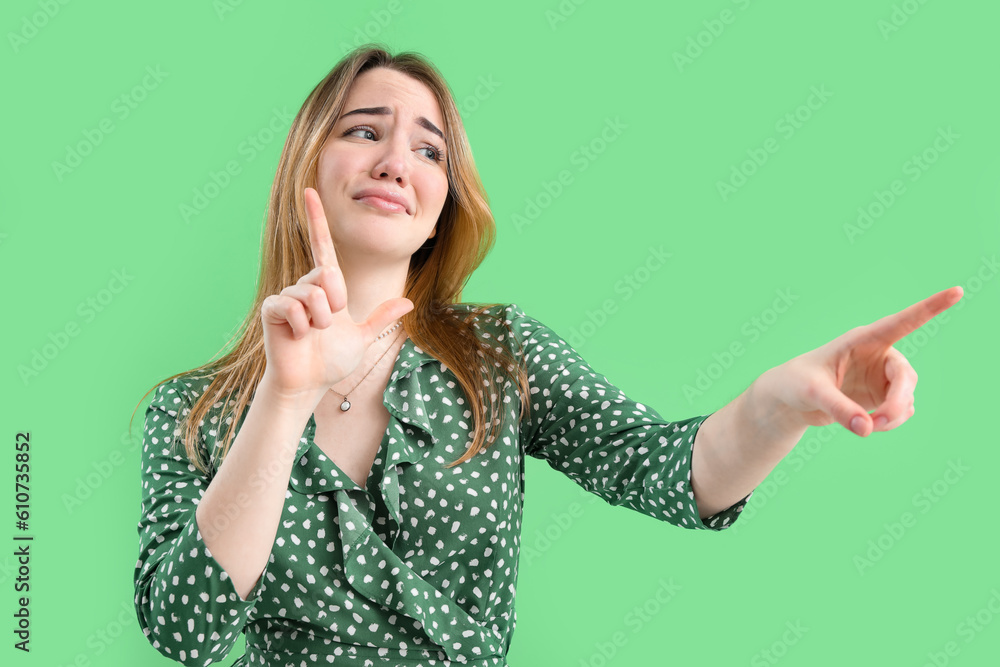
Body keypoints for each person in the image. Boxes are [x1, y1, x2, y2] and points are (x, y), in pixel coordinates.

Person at [131, 44, 963, 667]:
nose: (396, 161)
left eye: (429, 149)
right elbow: (185, 628)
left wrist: (781, 402)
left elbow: (664, 469)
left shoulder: (498, 356)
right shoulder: (192, 410)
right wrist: (283, 397)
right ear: (306, 163)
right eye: (363, 131)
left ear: (439, 210)